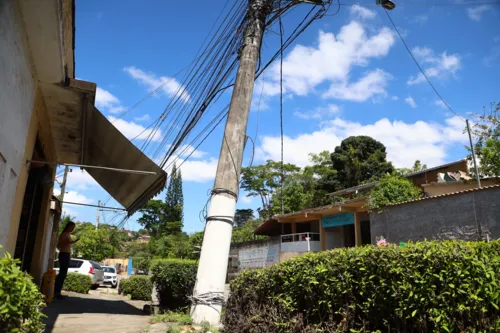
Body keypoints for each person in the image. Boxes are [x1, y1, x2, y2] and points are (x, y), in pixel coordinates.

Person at [54, 221, 79, 300]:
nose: (72, 229)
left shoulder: (68, 234)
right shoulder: (64, 234)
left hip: (66, 254)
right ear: (68, 227)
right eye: (71, 227)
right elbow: (60, 244)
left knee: (63, 274)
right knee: (62, 274)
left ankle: (58, 291)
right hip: (64, 254)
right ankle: (56, 292)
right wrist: (71, 241)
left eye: (73, 228)